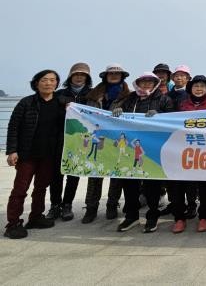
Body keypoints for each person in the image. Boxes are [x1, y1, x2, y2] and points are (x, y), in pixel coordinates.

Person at [5, 70, 67, 239]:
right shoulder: (26, 103)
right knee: (20, 189)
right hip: (27, 154)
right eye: (44, 80)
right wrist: (12, 151)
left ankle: (36, 217)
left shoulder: (62, 104)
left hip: (49, 155)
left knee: (41, 188)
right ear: (36, 83)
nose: (48, 83)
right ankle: (13, 223)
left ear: (57, 83)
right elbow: (13, 127)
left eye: (52, 80)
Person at [111, 72, 174, 233]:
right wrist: (117, 110)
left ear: (155, 83)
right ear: (137, 83)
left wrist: (160, 116)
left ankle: (152, 216)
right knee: (129, 183)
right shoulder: (131, 98)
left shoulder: (164, 99)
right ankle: (131, 216)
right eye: (143, 81)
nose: (146, 84)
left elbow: (172, 120)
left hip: (153, 148)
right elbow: (117, 116)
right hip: (131, 146)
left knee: (152, 185)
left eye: (150, 81)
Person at [82, 64, 131, 223]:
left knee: (116, 174)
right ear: (105, 76)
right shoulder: (93, 95)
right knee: (94, 174)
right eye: (111, 73)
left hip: (117, 138)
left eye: (117, 73)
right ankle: (91, 207)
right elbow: (83, 113)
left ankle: (112, 204)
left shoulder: (129, 96)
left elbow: (134, 115)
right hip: (97, 137)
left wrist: (123, 111)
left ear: (122, 76)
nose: (114, 76)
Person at [47, 62, 93, 222]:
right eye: (76, 74)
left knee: (73, 174)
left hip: (80, 140)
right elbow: (50, 115)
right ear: (70, 76)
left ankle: (67, 205)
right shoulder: (58, 94)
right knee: (56, 174)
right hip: (60, 139)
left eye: (83, 75)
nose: (79, 77)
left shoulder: (93, 94)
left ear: (87, 78)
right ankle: (55, 205)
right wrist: (63, 110)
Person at [172, 75, 206, 233]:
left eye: (202, 86)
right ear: (190, 88)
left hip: (205, 150)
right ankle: (179, 218)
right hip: (183, 149)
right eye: (196, 86)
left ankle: (204, 217)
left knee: (204, 185)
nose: (199, 89)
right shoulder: (182, 104)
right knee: (178, 184)